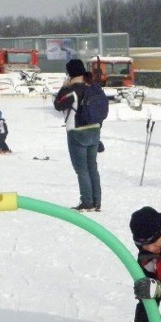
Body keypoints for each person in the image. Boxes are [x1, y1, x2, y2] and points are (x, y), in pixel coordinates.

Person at [53, 58, 102, 212]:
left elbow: (58, 104)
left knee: (82, 169)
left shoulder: (72, 90)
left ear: (71, 73)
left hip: (77, 132)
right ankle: (96, 201)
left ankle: (87, 202)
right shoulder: (93, 86)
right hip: (95, 130)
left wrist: (63, 87)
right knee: (92, 167)